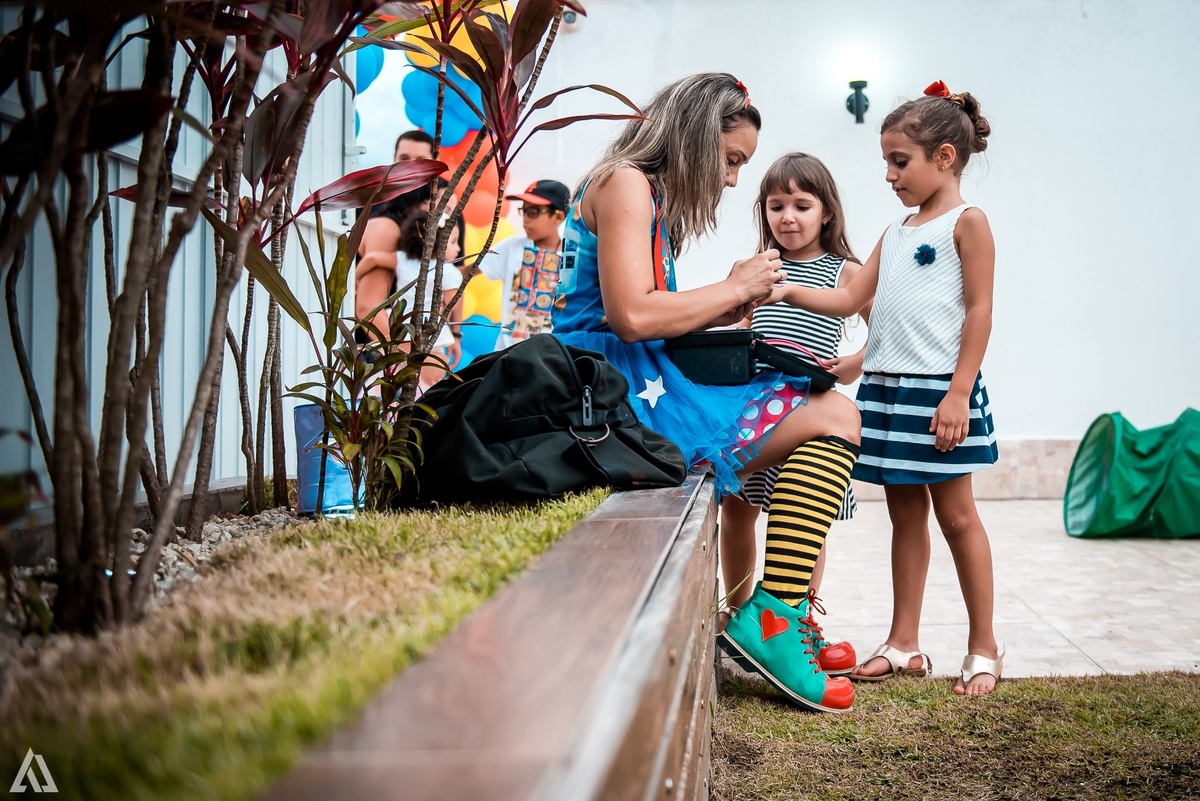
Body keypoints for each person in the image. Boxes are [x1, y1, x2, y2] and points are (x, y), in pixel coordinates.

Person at [552, 73, 862, 713]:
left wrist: (723, 306)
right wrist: (736, 287)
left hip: (634, 373)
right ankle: (772, 621)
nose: (730, 180)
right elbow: (633, 315)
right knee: (832, 412)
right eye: (730, 161)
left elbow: (641, 312)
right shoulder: (625, 183)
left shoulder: (635, 188)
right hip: (614, 386)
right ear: (696, 138)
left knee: (829, 408)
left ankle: (775, 616)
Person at [776, 80, 1001, 696]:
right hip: (886, 393)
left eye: (899, 162)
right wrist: (779, 288)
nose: (889, 175)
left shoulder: (967, 223)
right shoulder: (896, 231)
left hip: (940, 395)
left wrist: (959, 392)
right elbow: (850, 298)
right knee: (905, 517)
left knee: (957, 518)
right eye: (886, 163)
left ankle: (983, 645)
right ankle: (905, 643)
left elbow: (978, 312)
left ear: (944, 158)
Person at [718, 152, 871, 680]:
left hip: (809, 412)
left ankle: (796, 617)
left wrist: (852, 364)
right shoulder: (759, 268)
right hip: (754, 409)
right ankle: (738, 608)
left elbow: (888, 329)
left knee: (805, 519)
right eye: (776, 205)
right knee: (737, 510)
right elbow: (736, 321)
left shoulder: (844, 271)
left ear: (826, 211)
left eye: (802, 205)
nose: (787, 216)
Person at [356, 208, 463, 388]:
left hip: (399, 331)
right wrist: (454, 335)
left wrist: (357, 281)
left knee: (385, 385)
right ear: (438, 243)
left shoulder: (403, 260)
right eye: (453, 242)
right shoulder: (450, 273)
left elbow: (372, 259)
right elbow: (448, 309)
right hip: (429, 342)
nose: (458, 248)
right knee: (427, 388)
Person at [475, 179, 569, 349]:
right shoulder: (512, 246)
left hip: (553, 353)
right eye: (523, 211)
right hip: (507, 351)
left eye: (533, 212)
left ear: (558, 216)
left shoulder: (572, 257)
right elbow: (465, 273)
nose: (525, 219)